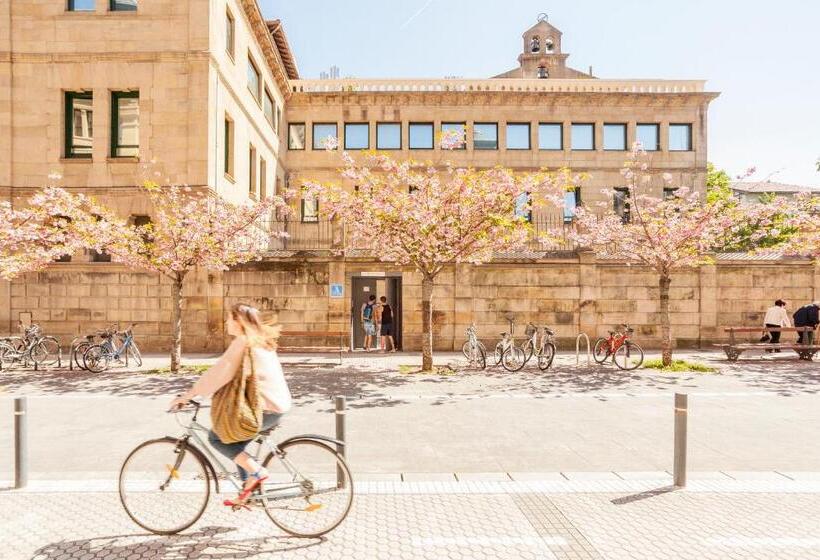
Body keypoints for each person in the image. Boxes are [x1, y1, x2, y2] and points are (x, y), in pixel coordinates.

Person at [169, 303, 292, 508]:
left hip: (266, 410)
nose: (226, 322)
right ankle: (248, 490)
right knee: (237, 446)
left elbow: (219, 373)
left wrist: (188, 395)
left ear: (239, 321)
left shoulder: (243, 342)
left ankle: (258, 473)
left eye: (228, 318)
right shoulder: (260, 341)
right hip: (278, 405)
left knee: (217, 438)